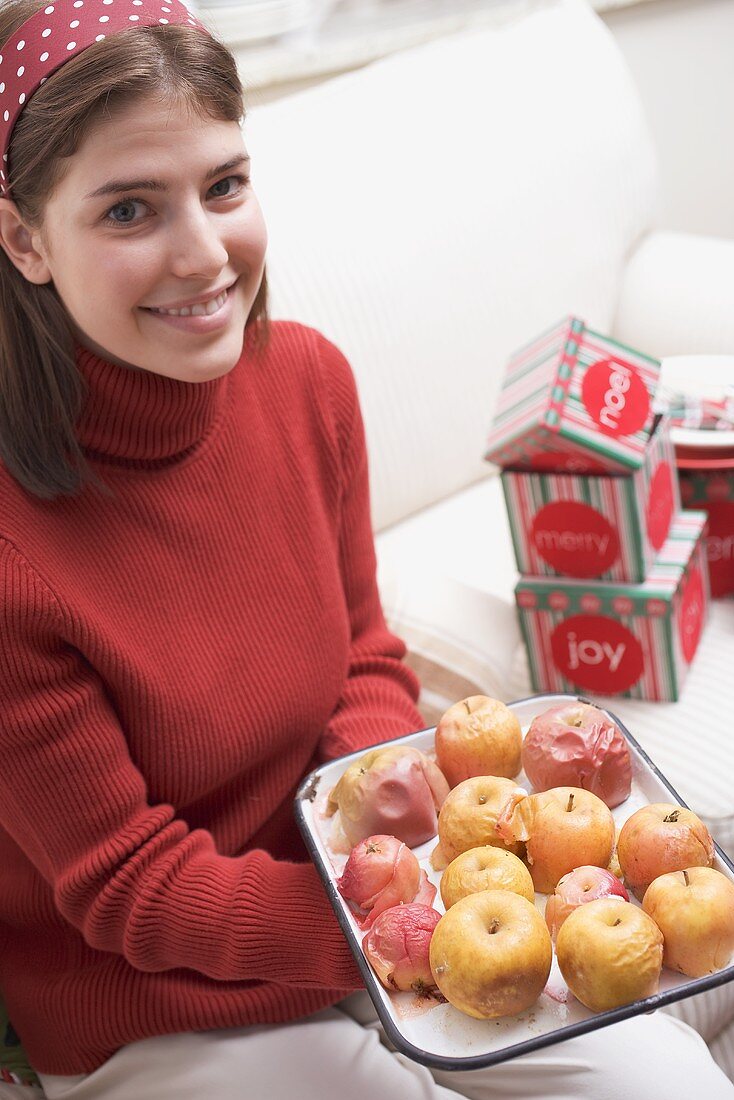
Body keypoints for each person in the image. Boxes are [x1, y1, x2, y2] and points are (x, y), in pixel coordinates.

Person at [0, 0, 731, 1096]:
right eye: (129, 209)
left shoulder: (307, 380)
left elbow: (361, 654)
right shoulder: (17, 553)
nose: (204, 254)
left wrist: (395, 802)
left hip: (370, 894)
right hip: (158, 997)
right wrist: (401, 926)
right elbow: (129, 889)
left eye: (225, 186)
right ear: (24, 240)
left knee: (664, 1082)